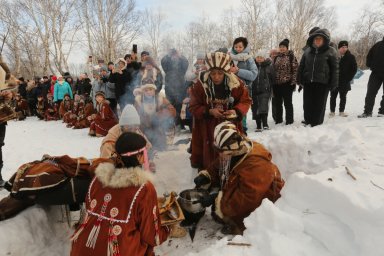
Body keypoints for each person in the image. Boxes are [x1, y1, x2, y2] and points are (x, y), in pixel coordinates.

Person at [70, 132, 170, 255]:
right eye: (145, 154)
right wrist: (167, 229)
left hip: (80, 250)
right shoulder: (143, 189)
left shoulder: (97, 179)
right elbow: (152, 236)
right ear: (138, 157)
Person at [194, 121, 284, 235]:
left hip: (262, 198)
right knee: (217, 213)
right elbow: (219, 165)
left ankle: (245, 226)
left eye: (221, 151)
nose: (219, 155)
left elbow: (247, 198)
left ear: (232, 150)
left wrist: (218, 200)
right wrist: (206, 175)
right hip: (248, 193)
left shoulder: (256, 165)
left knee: (226, 214)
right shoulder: (236, 150)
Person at [189, 51, 252, 173]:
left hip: (230, 127)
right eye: (213, 74)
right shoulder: (200, 85)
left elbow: (246, 101)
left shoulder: (236, 83)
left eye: (220, 74)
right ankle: (209, 178)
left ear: (226, 73)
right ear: (208, 72)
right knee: (209, 154)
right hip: (207, 127)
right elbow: (193, 106)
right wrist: (209, 111)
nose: (216, 77)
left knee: (230, 154)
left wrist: (236, 111)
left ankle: (230, 177)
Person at [298, 28, 339, 127]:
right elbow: (301, 66)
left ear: (324, 40)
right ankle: (308, 120)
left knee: (319, 104)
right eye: (316, 38)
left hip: (323, 82)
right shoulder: (307, 51)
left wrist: (334, 83)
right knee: (307, 103)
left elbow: (335, 68)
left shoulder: (331, 51)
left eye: (320, 38)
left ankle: (316, 122)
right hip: (308, 81)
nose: (317, 40)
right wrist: (299, 79)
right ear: (312, 40)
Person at [134, 84, 176, 151]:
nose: (148, 92)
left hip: (158, 129)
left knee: (160, 148)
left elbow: (172, 111)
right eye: (146, 90)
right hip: (144, 130)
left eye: (150, 89)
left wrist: (158, 116)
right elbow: (135, 115)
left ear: (154, 90)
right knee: (145, 148)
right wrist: (145, 119)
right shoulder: (139, 100)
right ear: (143, 92)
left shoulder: (160, 98)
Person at [229, 37, 258, 133]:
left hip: (244, 90)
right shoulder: (229, 57)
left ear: (245, 47)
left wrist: (238, 71)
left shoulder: (248, 59)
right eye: (236, 46)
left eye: (240, 47)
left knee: (241, 112)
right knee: (230, 113)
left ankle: (242, 131)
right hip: (229, 90)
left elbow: (253, 74)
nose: (237, 49)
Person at [161, 49, 189, 129]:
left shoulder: (181, 64)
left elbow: (186, 63)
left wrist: (180, 55)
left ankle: (181, 124)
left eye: (175, 55)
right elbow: (163, 62)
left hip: (180, 88)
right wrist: (168, 55)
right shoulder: (168, 65)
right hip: (169, 87)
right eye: (172, 55)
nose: (174, 57)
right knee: (170, 105)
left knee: (180, 105)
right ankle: (172, 123)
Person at [273, 39, 298, 125]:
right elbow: (273, 70)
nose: (282, 48)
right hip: (277, 84)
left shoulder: (291, 57)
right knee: (278, 103)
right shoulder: (276, 57)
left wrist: (293, 83)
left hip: (287, 83)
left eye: (283, 47)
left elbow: (295, 71)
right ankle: (279, 119)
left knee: (288, 103)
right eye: (280, 47)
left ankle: (289, 120)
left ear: (287, 48)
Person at [329, 41, 357, 117]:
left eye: (346, 47)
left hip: (345, 81)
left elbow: (354, 69)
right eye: (342, 47)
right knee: (333, 97)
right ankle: (332, 112)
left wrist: (348, 78)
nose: (344, 49)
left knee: (343, 97)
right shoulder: (334, 56)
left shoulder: (351, 57)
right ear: (339, 48)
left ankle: (341, 111)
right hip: (335, 80)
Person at [358, 37, 384, 118]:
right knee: (370, 92)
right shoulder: (378, 44)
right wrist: (370, 65)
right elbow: (369, 55)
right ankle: (367, 112)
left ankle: (382, 111)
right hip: (375, 73)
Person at [252, 50, 275, 131]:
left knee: (264, 107)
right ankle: (258, 125)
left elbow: (273, 78)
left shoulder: (269, 66)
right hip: (254, 90)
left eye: (261, 57)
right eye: (258, 57)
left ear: (264, 58)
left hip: (265, 90)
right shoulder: (253, 66)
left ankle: (265, 124)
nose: (259, 59)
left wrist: (270, 88)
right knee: (255, 108)